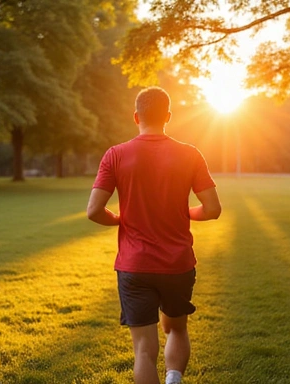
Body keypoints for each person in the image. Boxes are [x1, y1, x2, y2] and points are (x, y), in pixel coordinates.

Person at [87, 86, 221, 384]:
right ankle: (174, 379)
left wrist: (120, 220)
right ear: (168, 117)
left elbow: (94, 211)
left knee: (144, 351)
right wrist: (185, 212)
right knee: (176, 328)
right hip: (178, 264)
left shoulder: (116, 155)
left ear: (136, 117)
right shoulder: (190, 154)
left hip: (134, 266)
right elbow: (212, 209)